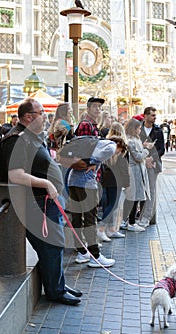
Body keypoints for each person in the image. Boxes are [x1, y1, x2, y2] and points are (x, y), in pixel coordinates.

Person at [1, 98, 82, 306]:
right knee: (51, 246)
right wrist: (46, 182)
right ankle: (55, 291)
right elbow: (15, 174)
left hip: (47, 203)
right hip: (37, 204)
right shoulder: (16, 139)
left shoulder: (32, 137)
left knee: (55, 245)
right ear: (29, 117)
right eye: (42, 113)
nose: (46, 117)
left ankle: (59, 284)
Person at [67, 97, 116, 267]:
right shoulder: (86, 125)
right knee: (88, 218)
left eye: (99, 107)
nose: (97, 109)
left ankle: (83, 252)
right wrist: (92, 162)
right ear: (88, 108)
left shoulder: (91, 125)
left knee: (80, 217)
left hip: (78, 178)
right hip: (84, 179)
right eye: (94, 106)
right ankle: (94, 255)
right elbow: (82, 147)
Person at [122, 118, 152, 232]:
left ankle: (127, 221)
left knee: (133, 197)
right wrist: (146, 149)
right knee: (134, 197)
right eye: (139, 128)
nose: (140, 130)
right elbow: (138, 157)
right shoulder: (132, 141)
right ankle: (131, 221)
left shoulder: (134, 139)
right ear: (134, 129)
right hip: (135, 171)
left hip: (137, 171)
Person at [97, 135, 129, 239]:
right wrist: (127, 183)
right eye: (120, 149)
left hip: (106, 182)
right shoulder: (119, 158)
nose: (120, 151)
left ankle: (110, 229)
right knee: (113, 205)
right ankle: (101, 229)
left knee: (108, 205)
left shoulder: (105, 156)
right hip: (116, 183)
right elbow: (124, 171)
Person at [138, 106, 165, 227]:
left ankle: (147, 217)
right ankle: (137, 215)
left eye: (155, 115)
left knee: (151, 191)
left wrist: (151, 158)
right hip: (139, 163)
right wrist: (144, 159)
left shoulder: (158, 130)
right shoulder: (138, 128)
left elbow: (161, 149)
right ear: (145, 116)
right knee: (140, 190)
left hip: (153, 164)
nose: (155, 117)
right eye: (153, 115)